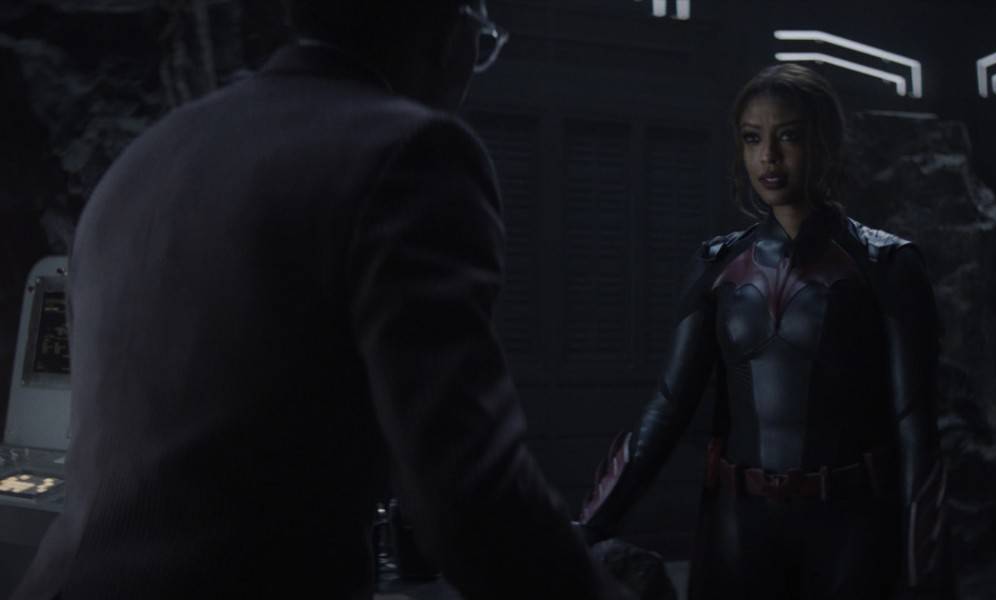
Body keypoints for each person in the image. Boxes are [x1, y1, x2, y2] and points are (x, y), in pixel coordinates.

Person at [14, 1, 625, 598]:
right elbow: (472, 500)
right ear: (449, 31)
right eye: (483, 42)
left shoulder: (143, 159)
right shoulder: (410, 152)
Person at [578, 64, 948, 599]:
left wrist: (923, 572)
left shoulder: (887, 265)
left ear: (824, 143)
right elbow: (669, 404)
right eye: (753, 138)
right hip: (737, 529)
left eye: (788, 136)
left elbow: (915, 426)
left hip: (848, 530)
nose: (768, 156)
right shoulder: (716, 263)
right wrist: (589, 525)